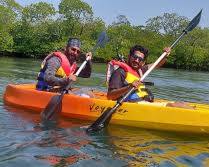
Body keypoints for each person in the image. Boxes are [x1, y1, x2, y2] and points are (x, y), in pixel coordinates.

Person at [106, 44, 194, 109]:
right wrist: (129, 87)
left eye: (140, 59)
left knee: (181, 103)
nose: (136, 60)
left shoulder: (141, 70)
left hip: (144, 103)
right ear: (129, 56)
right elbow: (110, 96)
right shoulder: (120, 72)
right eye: (135, 57)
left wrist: (165, 55)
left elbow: (157, 64)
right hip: (133, 106)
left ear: (143, 62)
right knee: (174, 106)